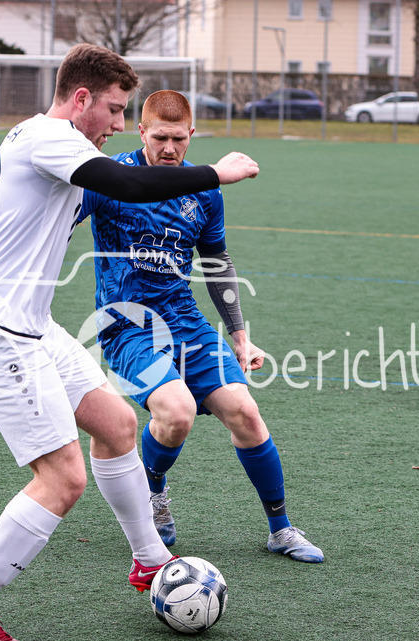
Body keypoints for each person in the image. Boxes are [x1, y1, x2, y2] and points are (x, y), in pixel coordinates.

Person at [0, 45, 259, 641]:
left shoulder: (51, 142)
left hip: (33, 325)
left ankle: (150, 559)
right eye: (113, 109)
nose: (118, 124)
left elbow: (111, 188)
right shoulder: (50, 138)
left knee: (116, 423)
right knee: (62, 479)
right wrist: (213, 174)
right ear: (80, 98)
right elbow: (128, 183)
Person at [78, 90, 323, 564]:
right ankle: (153, 492)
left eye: (178, 138)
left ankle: (281, 528)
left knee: (245, 412)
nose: (169, 148)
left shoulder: (204, 190)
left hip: (185, 321)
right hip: (127, 326)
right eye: (159, 138)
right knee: (177, 413)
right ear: (140, 132)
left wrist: (240, 335)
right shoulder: (109, 179)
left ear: (192, 134)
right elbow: (60, 219)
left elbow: (216, 261)